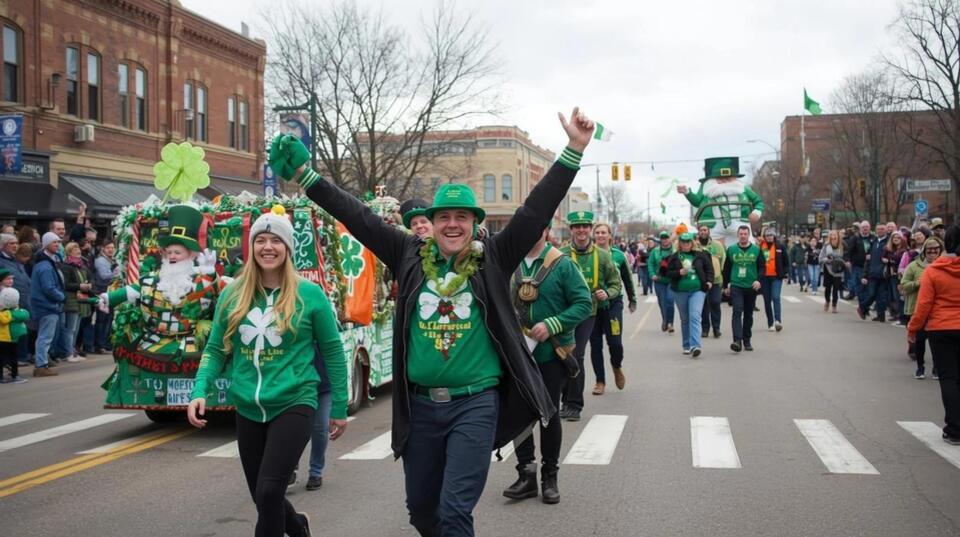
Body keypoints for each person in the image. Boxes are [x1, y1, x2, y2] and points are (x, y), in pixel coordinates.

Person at [266, 107, 592, 537]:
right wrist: (308, 176)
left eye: (461, 218)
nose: (452, 225)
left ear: (474, 224)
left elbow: (534, 211)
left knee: (455, 512)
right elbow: (357, 217)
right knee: (421, 510)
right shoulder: (408, 256)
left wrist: (574, 149)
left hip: (475, 405)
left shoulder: (492, 259)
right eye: (444, 218)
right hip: (420, 408)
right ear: (433, 224)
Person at [187, 207, 349, 537]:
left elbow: (332, 351)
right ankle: (299, 527)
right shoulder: (233, 294)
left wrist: (341, 406)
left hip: (295, 400)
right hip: (248, 405)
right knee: (264, 497)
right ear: (252, 247)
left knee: (270, 491)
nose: (267, 247)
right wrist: (199, 390)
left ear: (287, 248)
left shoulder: (309, 294)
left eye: (276, 240)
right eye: (260, 239)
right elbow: (217, 348)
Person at [503, 225, 590, 504]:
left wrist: (553, 324)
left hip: (551, 354)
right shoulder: (510, 262)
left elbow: (583, 303)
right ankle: (525, 474)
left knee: (548, 415)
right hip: (517, 353)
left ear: (547, 230)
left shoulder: (562, 264)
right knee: (518, 415)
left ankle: (549, 476)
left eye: (537, 227)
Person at [99, 205, 222, 363]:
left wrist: (211, 273)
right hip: (155, 344)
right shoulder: (152, 279)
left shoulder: (204, 278)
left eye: (177, 253)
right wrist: (106, 298)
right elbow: (131, 291)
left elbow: (221, 295)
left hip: (193, 346)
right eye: (169, 252)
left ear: (191, 254)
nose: (172, 256)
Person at [560, 211, 620, 408]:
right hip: (564, 313)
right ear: (571, 230)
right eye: (577, 226)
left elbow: (615, 284)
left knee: (576, 354)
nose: (581, 230)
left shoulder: (603, 256)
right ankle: (562, 398)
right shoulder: (561, 254)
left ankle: (574, 404)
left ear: (590, 230)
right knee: (560, 355)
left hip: (588, 313)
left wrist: (607, 293)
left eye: (585, 226)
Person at [907, 224, 960, 446]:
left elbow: (924, 304)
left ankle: (955, 429)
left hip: (941, 329)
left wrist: (913, 328)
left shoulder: (934, 270)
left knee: (949, 378)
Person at [589, 222, 634, 394]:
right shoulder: (589, 255)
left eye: (603, 232)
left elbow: (627, 279)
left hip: (613, 304)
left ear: (609, 236)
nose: (600, 235)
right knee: (595, 345)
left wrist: (632, 299)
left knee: (615, 342)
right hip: (593, 307)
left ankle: (616, 366)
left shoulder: (619, 256)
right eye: (597, 232)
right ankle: (600, 381)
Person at [677, 157, 763, 245]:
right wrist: (687, 192)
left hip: (739, 223)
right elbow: (697, 202)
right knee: (712, 249)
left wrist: (756, 213)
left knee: (748, 245)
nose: (724, 180)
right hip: (714, 224)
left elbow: (758, 201)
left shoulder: (742, 188)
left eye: (728, 177)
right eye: (719, 178)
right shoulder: (707, 188)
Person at [664, 232, 713, 356]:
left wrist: (709, 281)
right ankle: (686, 344)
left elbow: (709, 268)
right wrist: (678, 272)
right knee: (685, 318)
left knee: (695, 316)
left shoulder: (700, 255)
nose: (686, 244)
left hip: (697, 290)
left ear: (692, 243)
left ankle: (695, 346)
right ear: (679, 243)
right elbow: (667, 273)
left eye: (688, 242)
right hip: (680, 291)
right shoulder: (674, 257)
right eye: (683, 242)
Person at [901, 237, 942, 379]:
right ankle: (920, 367)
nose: (932, 253)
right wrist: (917, 283)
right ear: (924, 251)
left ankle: (936, 368)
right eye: (929, 250)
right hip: (918, 309)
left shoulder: (944, 266)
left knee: (936, 342)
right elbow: (903, 285)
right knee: (920, 340)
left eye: (935, 250)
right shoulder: (914, 266)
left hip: (937, 310)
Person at [723, 225, 764, 352]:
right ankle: (737, 340)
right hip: (736, 285)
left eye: (745, 234)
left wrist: (758, 280)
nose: (743, 236)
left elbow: (762, 267)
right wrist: (726, 285)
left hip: (751, 286)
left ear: (748, 235)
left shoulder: (756, 250)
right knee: (737, 311)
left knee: (748, 314)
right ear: (738, 235)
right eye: (741, 234)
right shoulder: (731, 250)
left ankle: (747, 340)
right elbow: (726, 269)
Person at [29, 232, 65, 376]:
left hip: (45, 305)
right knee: (45, 336)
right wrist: (62, 297)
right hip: (47, 306)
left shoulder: (46, 262)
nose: (57, 245)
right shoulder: (45, 265)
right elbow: (49, 288)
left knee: (44, 336)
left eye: (58, 242)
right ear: (46, 244)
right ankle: (41, 366)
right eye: (54, 242)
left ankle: (42, 361)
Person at [0, 234, 31, 365]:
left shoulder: (16, 260)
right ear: (3, 245)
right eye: (11, 243)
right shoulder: (2, 261)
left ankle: (21, 356)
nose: (15, 246)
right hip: (7, 304)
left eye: (16, 243)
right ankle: (11, 360)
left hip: (23, 301)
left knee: (21, 331)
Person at [60, 242, 93, 363]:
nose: (78, 250)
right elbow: (66, 284)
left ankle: (72, 350)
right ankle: (67, 353)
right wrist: (80, 285)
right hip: (71, 301)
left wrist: (89, 284)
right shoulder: (66, 266)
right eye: (74, 249)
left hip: (81, 300)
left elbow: (91, 277)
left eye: (78, 248)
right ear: (69, 252)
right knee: (70, 329)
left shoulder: (82, 266)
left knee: (76, 328)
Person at [858, 222, 891, 322]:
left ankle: (881, 316)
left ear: (886, 230)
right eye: (878, 229)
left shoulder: (889, 242)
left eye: (882, 229)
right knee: (871, 294)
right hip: (872, 273)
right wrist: (865, 274)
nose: (880, 231)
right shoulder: (873, 242)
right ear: (876, 230)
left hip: (884, 273)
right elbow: (868, 260)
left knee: (881, 296)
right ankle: (862, 307)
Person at [697, 224, 725, 338]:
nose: (703, 232)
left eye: (705, 230)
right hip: (701, 281)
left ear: (709, 232)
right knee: (703, 305)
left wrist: (721, 273)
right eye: (701, 230)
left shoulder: (718, 245)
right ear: (698, 232)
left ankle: (716, 328)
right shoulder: (695, 246)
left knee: (715, 303)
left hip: (716, 280)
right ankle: (705, 328)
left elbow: (723, 260)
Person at [758, 227, 788, 332]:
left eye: (771, 235)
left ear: (774, 236)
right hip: (764, 277)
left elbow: (786, 261)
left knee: (776, 297)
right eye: (767, 235)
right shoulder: (760, 247)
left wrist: (785, 273)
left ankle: (777, 321)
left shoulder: (780, 247)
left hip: (776, 277)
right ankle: (770, 323)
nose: (769, 237)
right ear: (765, 237)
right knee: (767, 301)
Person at [93, 240, 120, 354]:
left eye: (112, 247)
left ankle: (106, 343)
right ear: (103, 249)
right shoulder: (100, 261)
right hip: (102, 292)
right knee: (102, 319)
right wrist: (116, 273)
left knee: (109, 318)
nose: (111, 250)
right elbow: (104, 276)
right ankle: (99, 345)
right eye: (108, 247)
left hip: (111, 292)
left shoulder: (111, 260)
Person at [648, 231, 676, 332]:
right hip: (659, 281)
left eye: (666, 238)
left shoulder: (675, 250)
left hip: (672, 280)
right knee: (662, 303)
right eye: (662, 238)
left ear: (670, 238)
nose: (664, 240)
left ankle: (670, 323)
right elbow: (650, 264)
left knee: (670, 300)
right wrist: (652, 274)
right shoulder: (655, 251)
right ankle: (665, 320)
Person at [0, 286, 29, 383]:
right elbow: (26, 314)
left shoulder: (7, 313)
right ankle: (14, 375)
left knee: (6, 357)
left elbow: (4, 319)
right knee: (12, 357)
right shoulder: (18, 312)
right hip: (9, 338)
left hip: (7, 338)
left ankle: (10, 375)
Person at [844, 221, 874, 301]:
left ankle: (864, 299)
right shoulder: (855, 238)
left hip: (869, 265)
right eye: (863, 227)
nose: (865, 228)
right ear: (860, 228)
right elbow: (848, 251)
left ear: (869, 228)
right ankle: (855, 295)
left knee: (866, 283)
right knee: (856, 282)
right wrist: (847, 260)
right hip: (857, 264)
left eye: (866, 227)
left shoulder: (873, 238)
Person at [819, 230, 845, 313]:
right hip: (828, 269)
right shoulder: (826, 245)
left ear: (838, 236)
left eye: (835, 235)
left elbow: (846, 256)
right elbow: (821, 258)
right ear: (829, 237)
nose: (833, 237)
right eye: (831, 235)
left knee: (836, 289)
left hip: (838, 270)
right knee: (828, 288)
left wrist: (843, 261)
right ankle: (827, 302)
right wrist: (827, 260)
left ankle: (834, 305)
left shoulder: (842, 245)